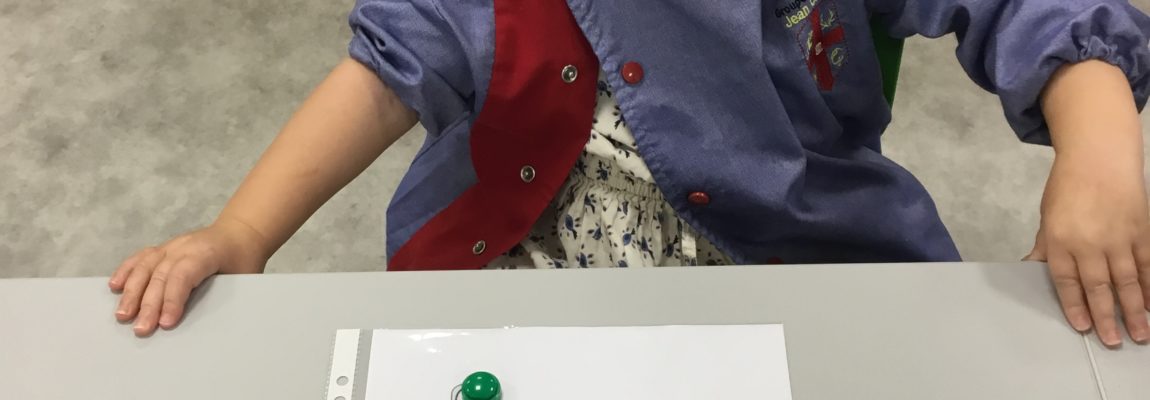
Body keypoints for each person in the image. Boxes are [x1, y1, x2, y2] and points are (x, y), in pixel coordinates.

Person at [110, 0, 1150, 346]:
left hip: (790, 256)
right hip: (516, 270)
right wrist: (240, 232)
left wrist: (1100, 146)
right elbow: (391, 63)